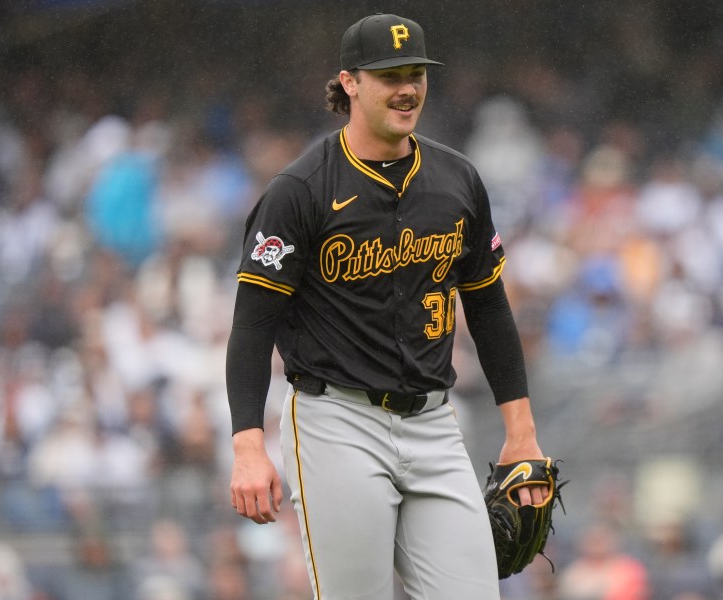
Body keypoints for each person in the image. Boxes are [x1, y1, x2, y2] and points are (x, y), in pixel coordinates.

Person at [225, 13, 547, 600]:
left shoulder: (457, 179)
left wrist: (520, 432)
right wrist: (248, 445)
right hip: (336, 423)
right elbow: (251, 325)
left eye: (416, 74)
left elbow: (490, 307)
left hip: (433, 423)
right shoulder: (299, 191)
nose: (407, 88)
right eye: (389, 75)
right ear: (349, 83)